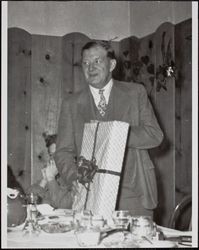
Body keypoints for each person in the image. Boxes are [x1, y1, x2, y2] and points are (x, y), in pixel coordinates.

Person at [54, 40, 164, 217]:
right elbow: (62, 151)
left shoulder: (136, 93)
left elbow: (155, 135)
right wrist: (74, 178)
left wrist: (117, 133)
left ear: (112, 64)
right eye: (86, 63)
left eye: (97, 61)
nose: (91, 68)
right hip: (90, 195)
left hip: (133, 193)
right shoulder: (71, 104)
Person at [27, 134, 75, 209]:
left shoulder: (73, 177)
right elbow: (29, 200)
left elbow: (62, 207)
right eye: (51, 155)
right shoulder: (54, 175)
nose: (53, 159)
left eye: (57, 155)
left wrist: (51, 178)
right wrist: (44, 181)